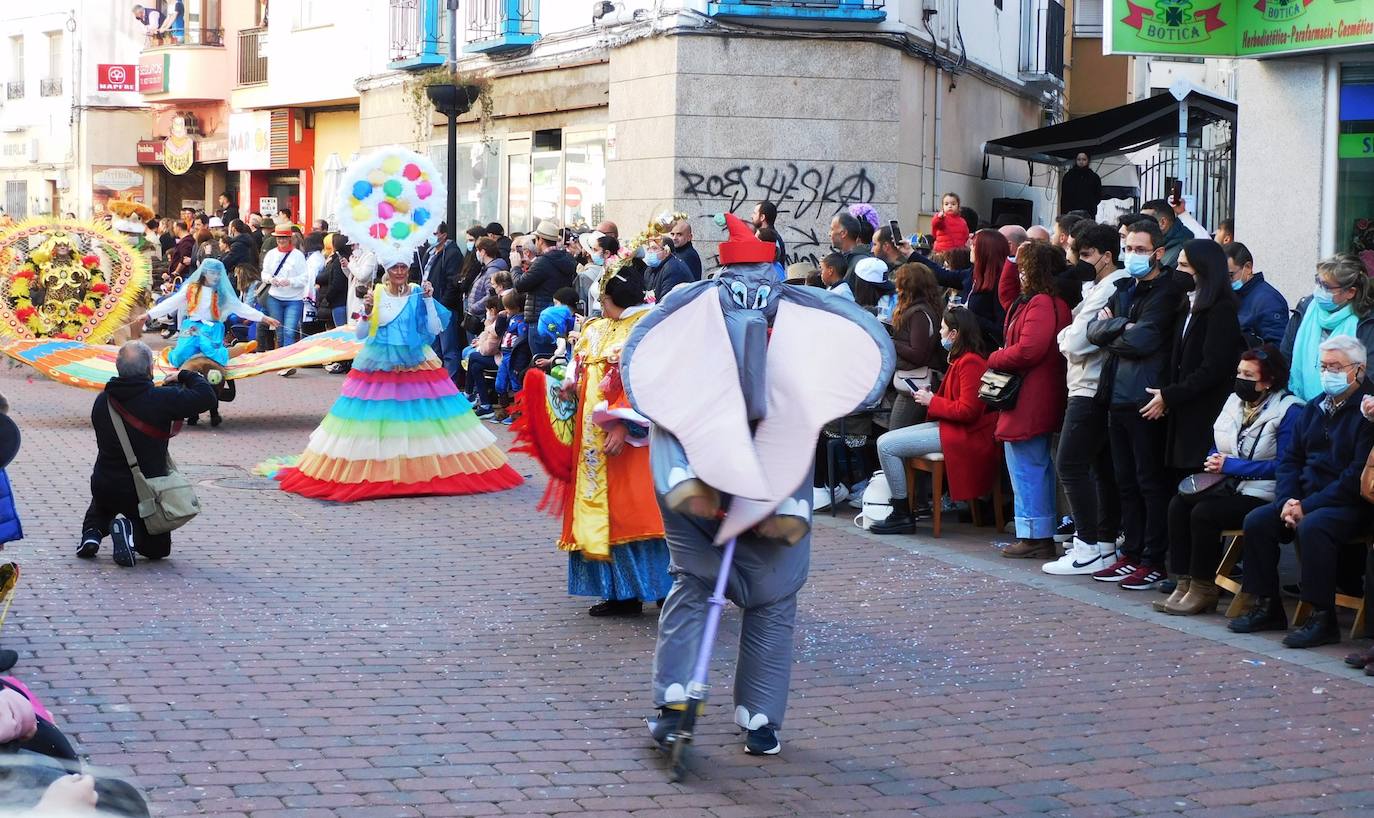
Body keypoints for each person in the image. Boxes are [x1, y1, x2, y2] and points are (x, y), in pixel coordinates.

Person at [629, 214, 893, 757]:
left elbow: (646, 369)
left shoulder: (698, 305)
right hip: (755, 465)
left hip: (725, 464)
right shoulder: (788, 305)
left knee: (704, 587)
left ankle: (682, 698)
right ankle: (754, 716)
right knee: (761, 597)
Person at [273, 262, 522, 501]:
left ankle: (418, 472)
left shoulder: (416, 292)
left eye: (403, 266)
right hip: (381, 362)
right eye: (395, 268)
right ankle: (383, 472)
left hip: (416, 363)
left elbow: (435, 328)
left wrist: (427, 300)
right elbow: (361, 334)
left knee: (420, 420)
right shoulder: (377, 293)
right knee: (380, 421)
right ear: (388, 270)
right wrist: (367, 312)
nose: (400, 272)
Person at [1229, 336, 1374, 647]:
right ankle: (1267, 606)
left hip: (1347, 503)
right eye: (1323, 366)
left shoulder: (1367, 412)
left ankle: (1322, 617)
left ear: (1359, 370)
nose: (1327, 373)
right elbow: (1290, 460)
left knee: (1314, 527)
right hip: (1303, 497)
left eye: (1336, 367)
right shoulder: (1314, 407)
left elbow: (1354, 476)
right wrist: (1287, 501)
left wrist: (1306, 506)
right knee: (1258, 520)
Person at [554, 263, 673, 616]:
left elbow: (650, 384)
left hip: (633, 443)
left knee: (640, 515)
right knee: (608, 517)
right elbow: (581, 368)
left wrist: (625, 425)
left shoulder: (647, 329)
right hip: (593, 445)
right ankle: (620, 593)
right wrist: (570, 387)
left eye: (602, 298)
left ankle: (665, 589)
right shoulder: (596, 328)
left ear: (609, 297)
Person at [1157, 346, 1303, 615]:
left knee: (1205, 513)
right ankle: (1183, 581)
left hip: (1264, 492)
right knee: (1178, 505)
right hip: (1229, 485)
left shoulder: (1289, 410)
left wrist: (1233, 466)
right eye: (1239, 372)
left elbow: (1286, 465)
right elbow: (1220, 442)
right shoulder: (1233, 401)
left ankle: (1204, 588)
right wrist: (1214, 459)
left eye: (1248, 374)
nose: (1240, 379)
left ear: (1268, 380)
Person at [1087, 218, 1186, 589]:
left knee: (1149, 483)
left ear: (1158, 253)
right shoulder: (1124, 286)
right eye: (1129, 248)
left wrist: (1116, 328)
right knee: (1123, 481)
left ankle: (1153, 559)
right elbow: (1092, 332)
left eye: (1140, 250)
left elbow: (1144, 341)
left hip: (1145, 398)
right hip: (1115, 395)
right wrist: (1121, 327)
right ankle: (1131, 553)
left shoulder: (1167, 291)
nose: (1133, 255)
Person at [78, 341, 216, 566]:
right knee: (158, 549)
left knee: (104, 501)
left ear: (118, 368)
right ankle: (129, 530)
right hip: (144, 492)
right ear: (149, 370)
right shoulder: (160, 398)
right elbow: (207, 397)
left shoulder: (103, 400)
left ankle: (91, 534)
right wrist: (184, 376)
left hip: (104, 483)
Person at [1043, 223, 1130, 576]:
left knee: (1071, 464)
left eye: (1086, 255)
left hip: (1091, 387)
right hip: (1087, 384)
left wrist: (1070, 335)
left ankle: (1089, 544)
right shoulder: (1099, 287)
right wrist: (1072, 333)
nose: (1078, 261)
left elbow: (1075, 342)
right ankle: (1103, 545)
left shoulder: (1112, 286)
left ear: (1106, 256)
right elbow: (1074, 333)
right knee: (1099, 469)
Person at [871, 307, 997, 535]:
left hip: (963, 433)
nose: (939, 332)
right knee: (886, 441)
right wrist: (932, 398)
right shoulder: (964, 360)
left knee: (886, 445)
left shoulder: (970, 363)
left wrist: (932, 401)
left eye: (943, 328)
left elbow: (968, 411)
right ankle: (902, 510)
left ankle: (901, 512)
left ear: (955, 334)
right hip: (954, 428)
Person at [988, 241, 1072, 559]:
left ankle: (1035, 534)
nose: (1019, 272)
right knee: (1033, 464)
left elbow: (1029, 349)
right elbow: (1006, 294)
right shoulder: (1036, 302)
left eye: (1024, 267)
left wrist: (995, 356)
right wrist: (1012, 257)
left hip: (1030, 396)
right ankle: (1037, 530)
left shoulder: (1040, 304)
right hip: (1035, 394)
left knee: (1027, 466)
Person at [1145, 239, 1245, 478]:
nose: (1177, 272)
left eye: (1184, 266)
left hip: (1202, 416)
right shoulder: (1186, 305)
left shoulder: (1221, 310)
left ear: (1204, 269)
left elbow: (1213, 367)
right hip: (1182, 412)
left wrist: (1170, 395)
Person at [1281, 254, 1374, 400]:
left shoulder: (1366, 324)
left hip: (1346, 411)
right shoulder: (1305, 310)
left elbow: (1368, 376)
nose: (1318, 290)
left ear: (1350, 292)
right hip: (1299, 405)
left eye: (1326, 287)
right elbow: (1284, 359)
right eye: (1318, 282)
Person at [887, 262, 945, 433]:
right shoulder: (922, 308)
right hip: (914, 382)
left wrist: (891, 342)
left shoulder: (918, 313)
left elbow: (919, 354)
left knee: (893, 439)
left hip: (916, 384)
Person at [516, 219, 578, 353]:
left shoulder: (543, 262)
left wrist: (515, 268)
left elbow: (520, 285)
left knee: (540, 360)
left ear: (541, 240)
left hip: (540, 319)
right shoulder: (566, 258)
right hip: (560, 318)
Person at [415, 222, 463, 382]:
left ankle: (451, 382)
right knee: (434, 347)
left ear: (443, 235)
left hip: (443, 306)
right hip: (429, 304)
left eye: (434, 233)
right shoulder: (430, 252)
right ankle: (435, 380)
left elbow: (452, 282)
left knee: (448, 347)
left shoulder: (451, 253)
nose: (432, 237)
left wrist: (443, 303)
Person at [1224, 242, 1288, 347]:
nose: (1227, 281)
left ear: (1248, 268)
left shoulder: (1269, 300)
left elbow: (1276, 349)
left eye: (1230, 275)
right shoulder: (1232, 295)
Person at [832, 212, 878, 307]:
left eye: (832, 229)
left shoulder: (861, 263)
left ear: (843, 233)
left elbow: (864, 303)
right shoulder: (847, 259)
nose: (829, 234)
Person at [642, 234, 694, 305]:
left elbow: (667, 304)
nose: (650, 252)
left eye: (654, 248)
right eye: (648, 248)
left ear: (666, 252)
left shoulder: (673, 268)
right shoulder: (650, 269)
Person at [1141, 198, 1191, 269]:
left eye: (1145, 223)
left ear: (1163, 223)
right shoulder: (1160, 243)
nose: (1139, 227)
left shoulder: (1180, 252)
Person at [316, 233, 351, 329]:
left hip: (339, 302)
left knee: (341, 331)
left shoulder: (338, 261)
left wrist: (328, 297)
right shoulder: (349, 258)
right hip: (347, 300)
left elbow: (336, 283)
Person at [1060, 152, 1102, 216]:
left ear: (1088, 161)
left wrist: (1091, 204)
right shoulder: (1069, 176)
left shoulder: (1094, 177)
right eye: (1079, 159)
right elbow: (1064, 196)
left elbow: (1098, 195)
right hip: (1071, 213)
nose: (1081, 162)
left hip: (1088, 213)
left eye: (1084, 159)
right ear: (1075, 160)